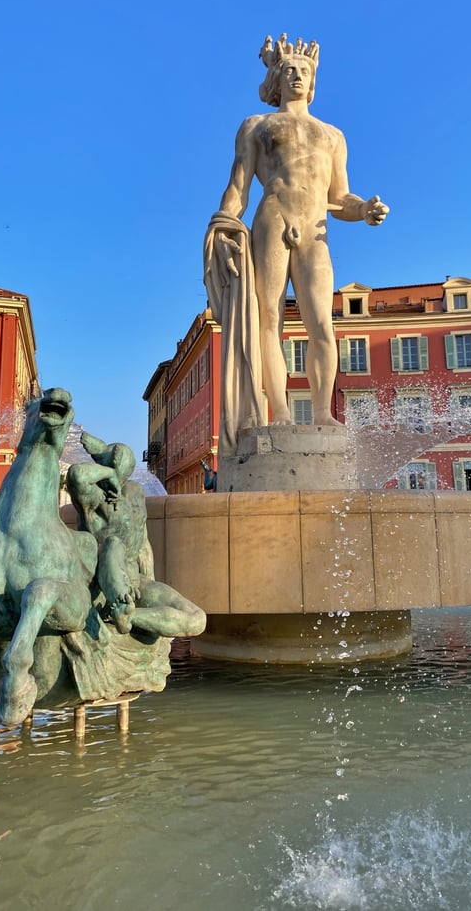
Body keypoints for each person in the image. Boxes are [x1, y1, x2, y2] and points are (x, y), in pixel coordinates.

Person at [204, 34, 388, 451]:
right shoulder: (257, 126)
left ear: (313, 79)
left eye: (304, 70)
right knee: (269, 320)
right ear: (277, 78)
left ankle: (323, 412)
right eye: (289, 70)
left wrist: (364, 210)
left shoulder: (332, 135)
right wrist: (225, 224)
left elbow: (341, 197)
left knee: (321, 322)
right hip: (272, 219)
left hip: (315, 228)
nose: (297, 76)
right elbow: (238, 188)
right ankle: (281, 414)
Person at [66, 432, 205, 638]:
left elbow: (143, 544)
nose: (121, 467)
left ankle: (128, 617)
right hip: (102, 581)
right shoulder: (95, 496)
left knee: (197, 619)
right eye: (114, 461)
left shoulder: (135, 492)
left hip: (135, 581)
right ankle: (119, 603)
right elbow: (77, 475)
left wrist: (150, 580)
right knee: (113, 544)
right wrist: (109, 473)